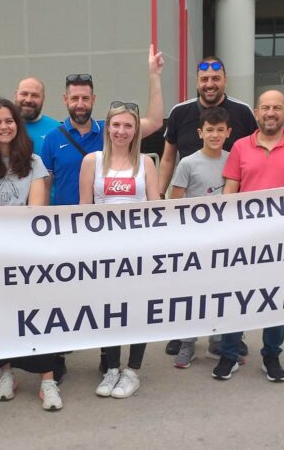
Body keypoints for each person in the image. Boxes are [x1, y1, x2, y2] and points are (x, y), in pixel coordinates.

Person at [214, 89, 284, 382]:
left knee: (277, 300)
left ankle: (271, 354)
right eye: (265, 108)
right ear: (256, 113)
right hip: (245, 239)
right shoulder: (240, 147)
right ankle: (229, 354)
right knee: (236, 296)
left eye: (277, 108)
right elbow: (230, 190)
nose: (270, 113)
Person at [0, 98, 60, 411]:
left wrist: (14, 235)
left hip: (29, 249)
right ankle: (6, 373)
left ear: (17, 126)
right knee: (0, 314)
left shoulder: (34, 162)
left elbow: (36, 208)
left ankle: (48, 380)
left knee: (39, 313)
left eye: (9, 121)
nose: (3, 127)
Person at [160, 56, 257, 358]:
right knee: (187, 281)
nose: (210, 84)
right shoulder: (180, 112)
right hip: (191, 219)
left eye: (216, 78)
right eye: (204, 79)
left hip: (230, 218)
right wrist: (161, 198)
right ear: (197, 82)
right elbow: (168, 157)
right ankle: (183, 335)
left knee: (228, 279)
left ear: (225, 80)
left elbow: (253, 155)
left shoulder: (242, 112)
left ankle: (229, 335)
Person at [79, 101, 160, 399]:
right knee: (109, 310)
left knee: (138, 310)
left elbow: (156, 209)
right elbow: (84, 208)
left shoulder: (146, 163)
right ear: (107, 128)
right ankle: (111, 368)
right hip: (104, 251)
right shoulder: (92, 161)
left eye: (128, 125)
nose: (121, 131)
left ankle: (132, 371)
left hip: (139, 251)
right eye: (116, 125)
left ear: (136, 130)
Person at [41, 44, 164, 207]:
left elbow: (155, 122)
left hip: (102, 218)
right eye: (74, 98)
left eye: (85, 98)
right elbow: (45, 187)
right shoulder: (52, 138)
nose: (80, 104)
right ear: (65, 99)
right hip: (66, 218)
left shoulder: (112, 130)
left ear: (93, 99)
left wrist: (154, 76)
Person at [165, 107, 231, 369]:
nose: (215, 135)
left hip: (223, 240)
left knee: (219, 290)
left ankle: (217, 341)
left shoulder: (233, 160)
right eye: (209, 130)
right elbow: (175, 203)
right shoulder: (188, 164)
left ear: (228, 132)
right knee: (192, 292)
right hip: (194, 241)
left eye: (220, 130)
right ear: (200, 133)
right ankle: (187, 342)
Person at [14, 77, 60, 149]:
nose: (28, 100)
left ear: (43, 99)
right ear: (16, 95)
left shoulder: (57, 130)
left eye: (35, 95)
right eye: (24, 94)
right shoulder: (2, 128)